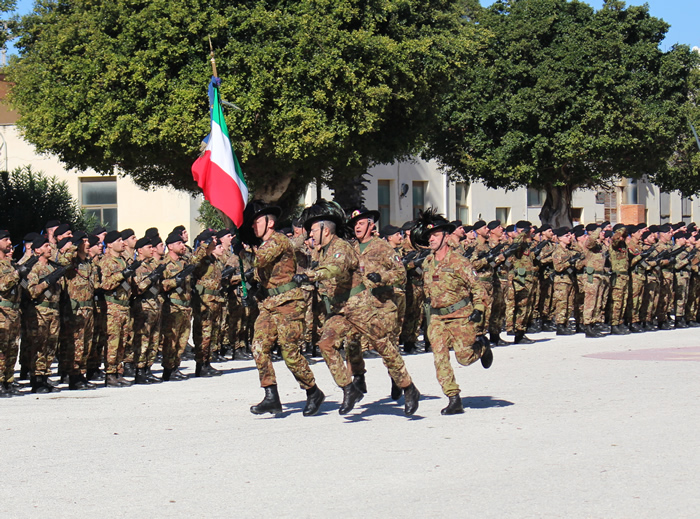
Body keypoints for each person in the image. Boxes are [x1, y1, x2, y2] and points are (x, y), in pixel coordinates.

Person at [297, 200, 420, 416]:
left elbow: (334, 268)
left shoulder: (344, 248)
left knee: (384, 347)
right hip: (342, 308)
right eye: (354, 224)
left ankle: (408, 387)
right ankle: (349, 388)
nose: (311, 234)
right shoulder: (338, 247)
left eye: (314, 229)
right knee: (326, 344)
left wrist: (311, 275)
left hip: (364, 306)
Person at [242, 200, 325, 416]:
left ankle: (312, 391)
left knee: (290, 353)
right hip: (269, 305)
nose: (253, 226)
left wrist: (244, 249)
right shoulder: (263, 245)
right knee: (258, 347)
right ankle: (271, 396)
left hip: (288, 304)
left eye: (257, 221)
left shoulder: (278, 241)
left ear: (270, 222)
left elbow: (260, 259)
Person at [25, 235, 66, 393]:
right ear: (37, 249)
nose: (50, 248)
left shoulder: (53, 266)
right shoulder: (34, 267)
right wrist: (48, 281)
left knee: (51, 345)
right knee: (39, 345)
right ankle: (36, 379)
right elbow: (33, 291)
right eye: (45, 246)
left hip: (54, 310)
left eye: (50, 246)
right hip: (40, 310)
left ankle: (45, 376)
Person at [99, 230, 136, 387]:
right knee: (113, 341)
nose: (123, 243)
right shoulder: (106, 262)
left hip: (124, 305)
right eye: (119, 240)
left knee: (123, 341)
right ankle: (110, 373)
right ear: (109, 244)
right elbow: (105, 284)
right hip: (112, 306)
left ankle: (118, 371)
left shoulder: (123, 260)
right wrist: (122, 274)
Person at [0, 230, 22, 396]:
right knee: (1, 348)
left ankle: (8, 380)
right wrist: (17, 274)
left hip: (14, 311)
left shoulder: (10, 264)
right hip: (2, 312)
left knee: (12, 347)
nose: (9, 242)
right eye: (6, 239)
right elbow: (3, 285)